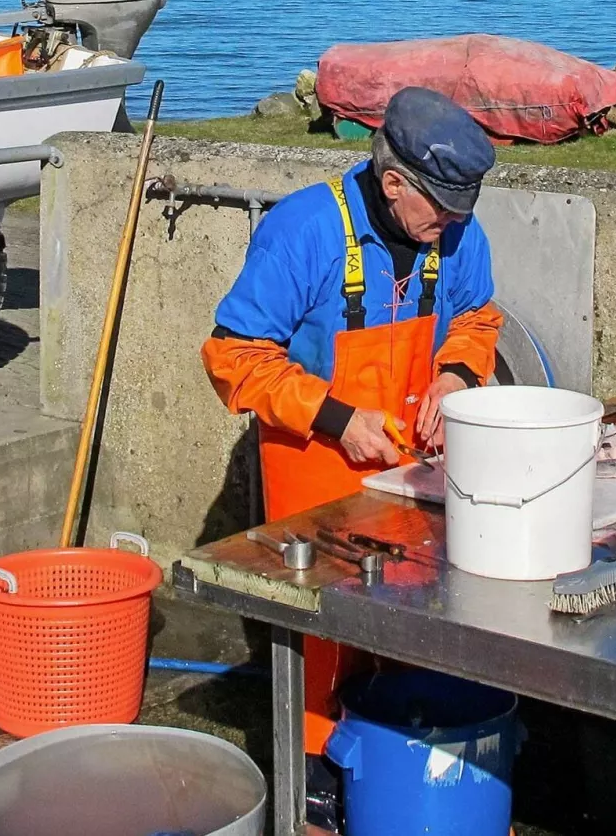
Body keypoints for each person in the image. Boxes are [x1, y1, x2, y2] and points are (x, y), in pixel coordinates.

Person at [201, 86, 502, 827]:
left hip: (411, 475)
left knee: (413, 622)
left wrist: (456, 374)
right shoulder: (302, 232)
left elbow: (477, 317)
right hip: (315, 470)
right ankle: (315, 784)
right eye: (441, 208)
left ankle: (399, 763)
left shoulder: (460, 232)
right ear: (393, 182)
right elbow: (233, 356)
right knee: (322, 640)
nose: (453, 226)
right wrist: (336, 417)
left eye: (463, 210)